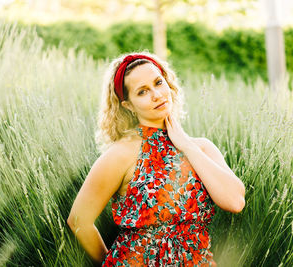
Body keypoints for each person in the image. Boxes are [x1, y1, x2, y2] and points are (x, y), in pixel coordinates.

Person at [67, 51, 246, 266]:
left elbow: (235, 202)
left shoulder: (201, 148)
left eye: (158, 83)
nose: (157, 95)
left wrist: (186, 145)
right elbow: (79, 220)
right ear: (128, 106)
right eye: (142, 92)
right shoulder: (121, 154)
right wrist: (110, 262)